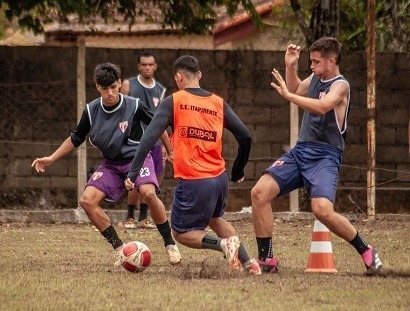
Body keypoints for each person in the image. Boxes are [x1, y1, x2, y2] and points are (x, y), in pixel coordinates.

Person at [251, 37, 383, 274]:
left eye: (315, 61)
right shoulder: (314, 78)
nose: (311, 66)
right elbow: (294, 89)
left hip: (325, 156)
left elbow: (322, 106)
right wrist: (291, 66)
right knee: (259, 193)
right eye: (310, 61)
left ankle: (366, 250)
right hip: (301, 151)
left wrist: (289, 98)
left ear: (331, 61)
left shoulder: (341, 86)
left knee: (321, 209)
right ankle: (266, 260)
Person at [31, 62, 181, 266]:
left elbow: (158, 126)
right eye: (104, 89)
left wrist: (170, 151)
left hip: (137, 159)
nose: (110, 93)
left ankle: (169, 243)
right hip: (112, 164)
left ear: (119, 83)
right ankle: (120, 248)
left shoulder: (134, 105)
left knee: (148, 193)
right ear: (97, 87)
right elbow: (76, 138)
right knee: (87, 201)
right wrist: (51, 158)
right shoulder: (91, 111)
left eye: (113, 87)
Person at [125, 55, 261, 274]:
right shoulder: (218, 102)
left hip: (195, 180)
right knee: (216, 219)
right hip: (219, 178)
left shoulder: (174, 101)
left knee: (180, 233)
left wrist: (133, 172)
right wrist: (238, 169)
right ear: (199, 75)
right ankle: (248, 263)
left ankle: (223, 245)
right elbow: (245, 137)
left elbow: (149, 137)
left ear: (179, 77)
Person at [120, 51, 167, 230]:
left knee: (154, 178)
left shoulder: (160, 90)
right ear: (139, 67)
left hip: (155, 140)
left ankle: (144, 218)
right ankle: (130, 216)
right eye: (144, 65)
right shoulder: (128, 85)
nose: (147, 67)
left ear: (155, 66)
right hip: (135, 141)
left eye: (150, 64)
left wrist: (165, 143)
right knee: (135, 178)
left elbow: (162, 118)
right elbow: (121, 112)